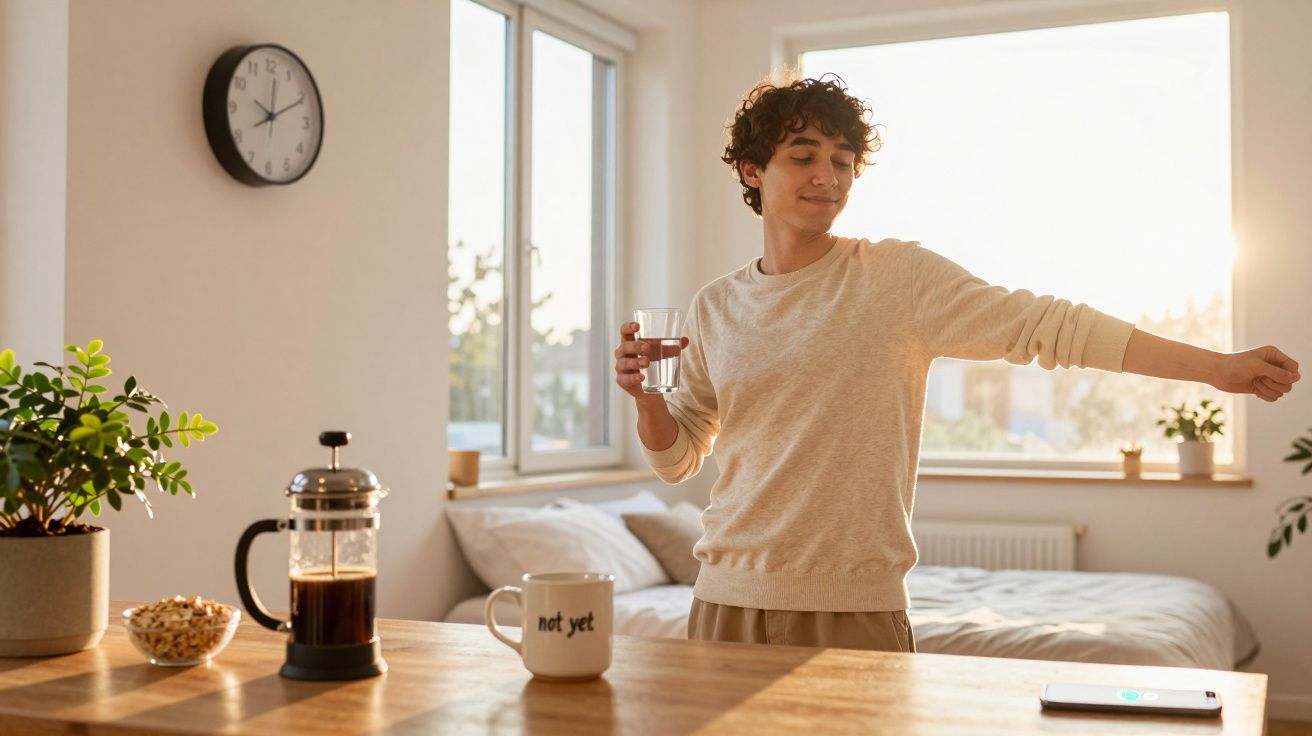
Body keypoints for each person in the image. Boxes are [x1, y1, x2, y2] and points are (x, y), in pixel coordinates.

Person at [612, 75, 1301, 653]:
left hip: (854, 607)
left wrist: (1216, 367)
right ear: (753, 169)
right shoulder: (714, 307)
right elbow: (680, 460)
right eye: (803, 155)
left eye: (844, 160)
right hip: (725, 603)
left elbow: (1049, 325)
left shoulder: (894, 278)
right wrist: (647, 401)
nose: (828, 176)